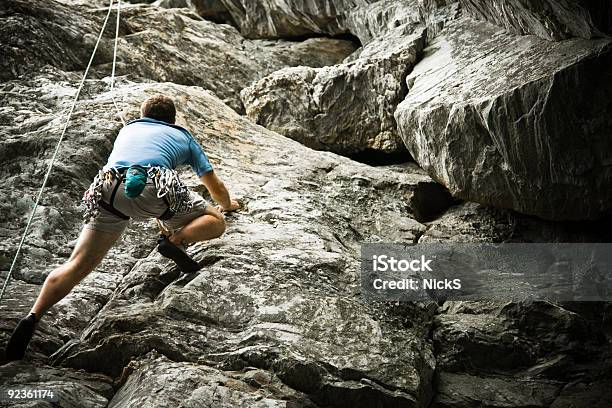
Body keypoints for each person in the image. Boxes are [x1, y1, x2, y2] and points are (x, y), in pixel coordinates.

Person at [4, 94, 239, 361]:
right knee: (215, 221)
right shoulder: (182, 136)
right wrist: (228, 206)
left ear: (143, 114)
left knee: (77, 264)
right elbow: (215, 187)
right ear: (172, 120)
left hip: (107, 189)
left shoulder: (129, 128)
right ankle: (176, 240)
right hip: (154, 189)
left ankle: (33, 316)